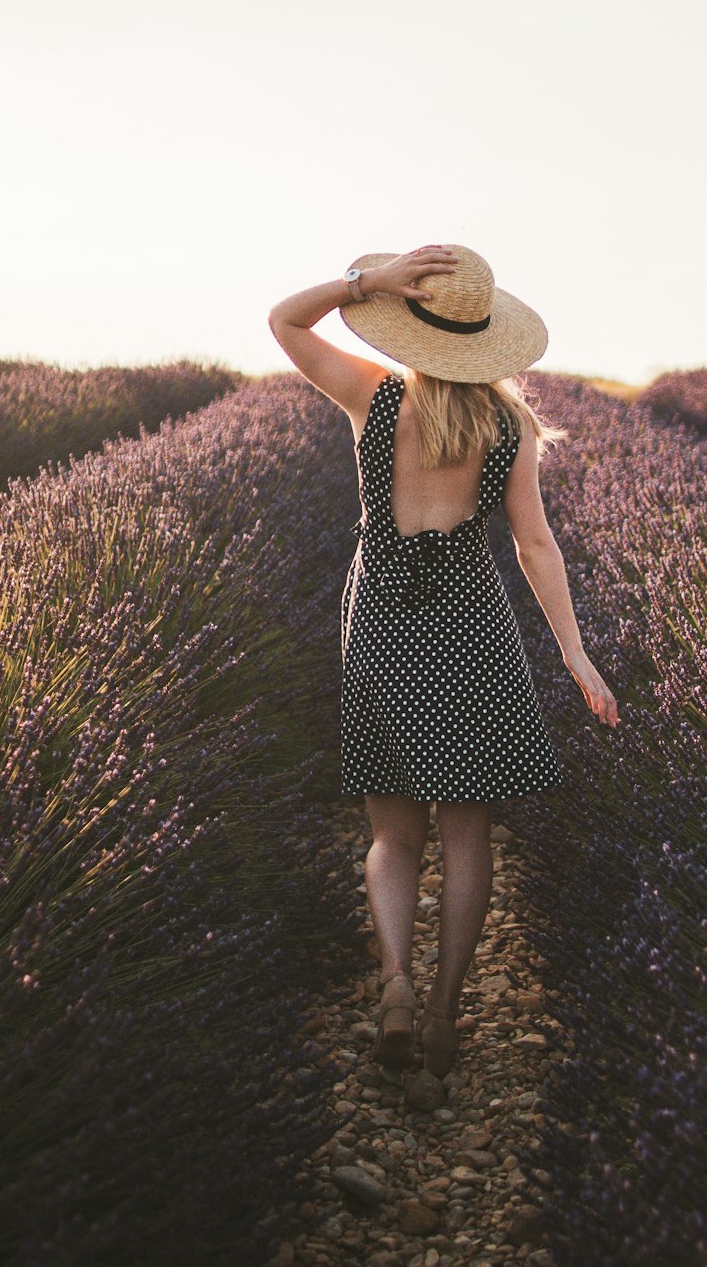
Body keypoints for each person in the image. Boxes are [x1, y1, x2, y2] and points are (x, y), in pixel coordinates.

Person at [267, 242, 619, 1077]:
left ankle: (394, 981)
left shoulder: (373, 395)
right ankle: (443, 1015)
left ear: (409, 329)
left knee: (392, 833)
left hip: (384, 619)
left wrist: (365, 285)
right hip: (472, 626)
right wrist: (575, 652)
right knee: (469, 834)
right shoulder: (510, 425)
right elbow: (535, 543)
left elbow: (283, 319)